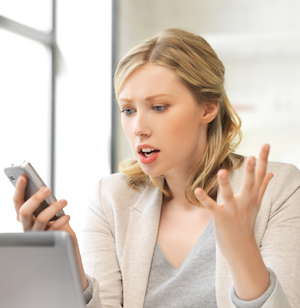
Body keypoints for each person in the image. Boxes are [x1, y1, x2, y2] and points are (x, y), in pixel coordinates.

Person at [13, 28, 300, 308]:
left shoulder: (279, 189)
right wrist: (63, 265)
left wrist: (242, 253)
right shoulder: (110, 199)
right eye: (128, 110)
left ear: (208, 108)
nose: (138, 128)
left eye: (159, 107)